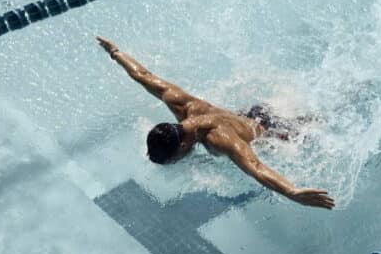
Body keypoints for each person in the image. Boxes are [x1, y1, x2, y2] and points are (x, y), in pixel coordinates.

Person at [97, 36, 335, 210]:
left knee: (316, 125)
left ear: (181, 148)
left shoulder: (218, 139)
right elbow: (144, 76)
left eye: (172, 159)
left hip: (272, 132)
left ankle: (346, 101)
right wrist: (115, 52)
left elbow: (256, 167)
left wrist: (292, 192)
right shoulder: (182, 105)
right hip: (251, 115)